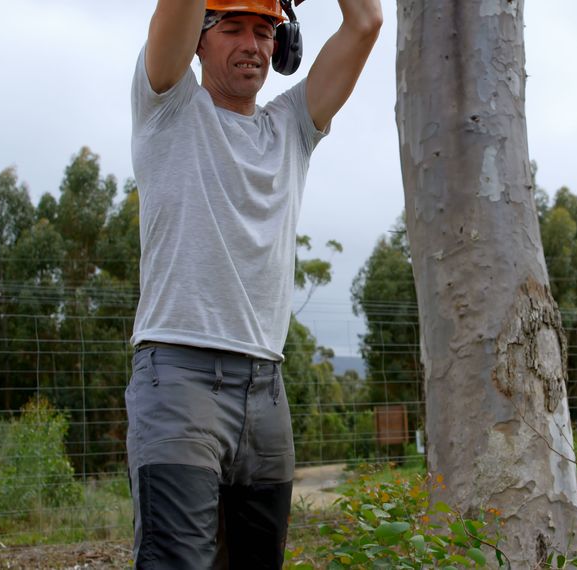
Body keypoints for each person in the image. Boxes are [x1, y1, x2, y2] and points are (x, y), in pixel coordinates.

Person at [125, 0, 381, 567]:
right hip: (179, 379)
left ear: (281, 45)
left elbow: (365, 22)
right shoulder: (167, 104)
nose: (252, 45)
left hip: (266, 390)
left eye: (265, 31)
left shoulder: (291, 126)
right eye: (233, 28)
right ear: (198, 39)